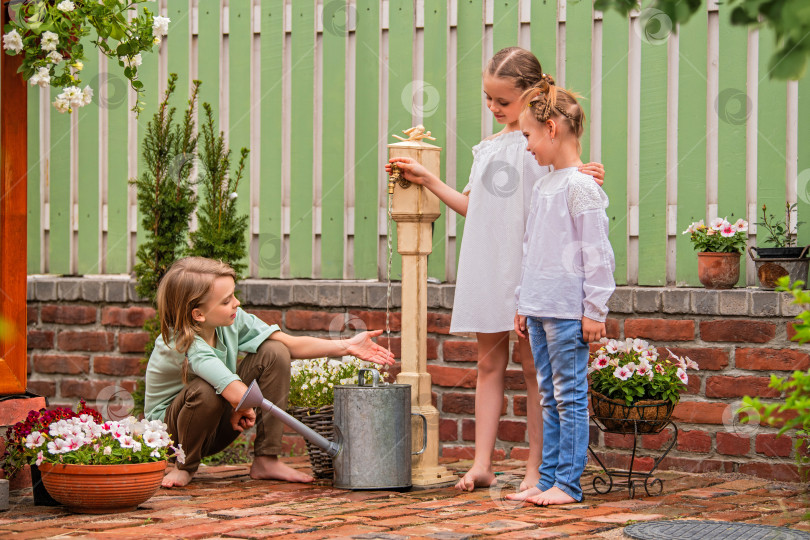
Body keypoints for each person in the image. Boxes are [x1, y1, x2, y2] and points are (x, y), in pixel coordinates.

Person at [385, 47, 604, 492]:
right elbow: (476, 209)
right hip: (489, 261)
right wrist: (429, 180)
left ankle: (534, 469)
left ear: (531, 97)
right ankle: (482, 463)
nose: (493, 108)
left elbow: (566, 187)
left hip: (530, 269)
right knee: (489, 365)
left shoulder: (538, 144)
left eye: (502, 101)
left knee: (534, 372)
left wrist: (587, 173)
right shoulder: (486, 148)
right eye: (488, 99)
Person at [144, 257, 395, 488]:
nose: (236, 303)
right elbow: (227, 385)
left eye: (233, 295)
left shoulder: (233, 319)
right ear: (198, 314)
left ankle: (266, 458)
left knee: (274, 350)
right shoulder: (181, 343)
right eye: (226, 301)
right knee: (205, 389)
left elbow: (289, 343)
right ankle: (185, 466)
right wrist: (242, 405)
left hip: (217, 426)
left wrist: (347, 346)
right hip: (171, 438)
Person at [508, 75, 615, 505]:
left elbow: (598, 252)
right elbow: (532, 248)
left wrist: (596, 310)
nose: (527, 146)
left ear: (551, 129)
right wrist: (523, 300)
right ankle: (546, 479)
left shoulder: (582, 186)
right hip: (540, 307)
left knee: (570, 398)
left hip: (570, 312)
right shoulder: (544, 185)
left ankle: (567, 485)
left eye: (529, 136)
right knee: (550, 398)